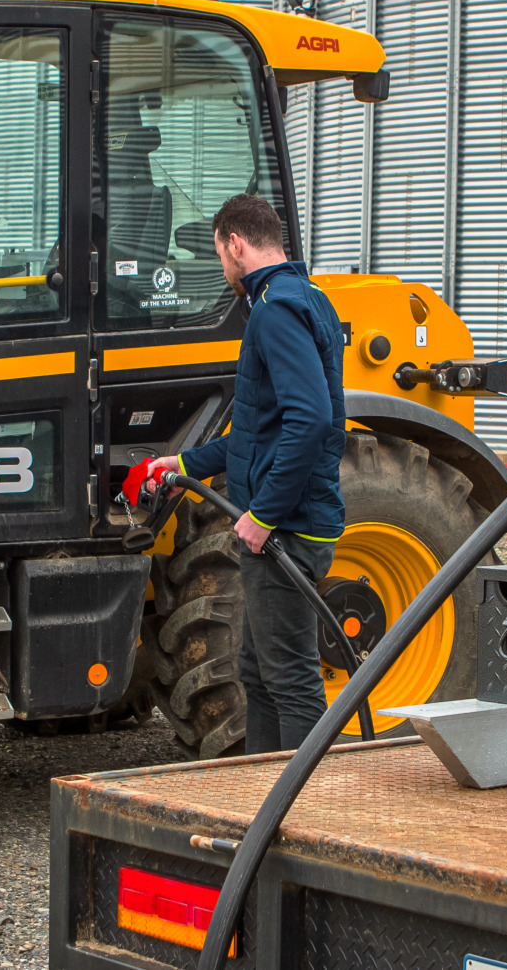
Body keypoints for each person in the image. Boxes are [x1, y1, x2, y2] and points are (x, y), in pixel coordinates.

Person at [148, 193, 346, 754]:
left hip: (287, 529)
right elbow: (266, 431)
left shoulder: (277, 309)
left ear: (235, 244)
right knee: (256, 673)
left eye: (220, 256)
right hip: (287, 522)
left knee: (291, 679)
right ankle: (261, 793)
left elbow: (310, 419)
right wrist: (185, 463)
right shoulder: (299, 297)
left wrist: (265, 514)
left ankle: (299, 812)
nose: (223, 269)